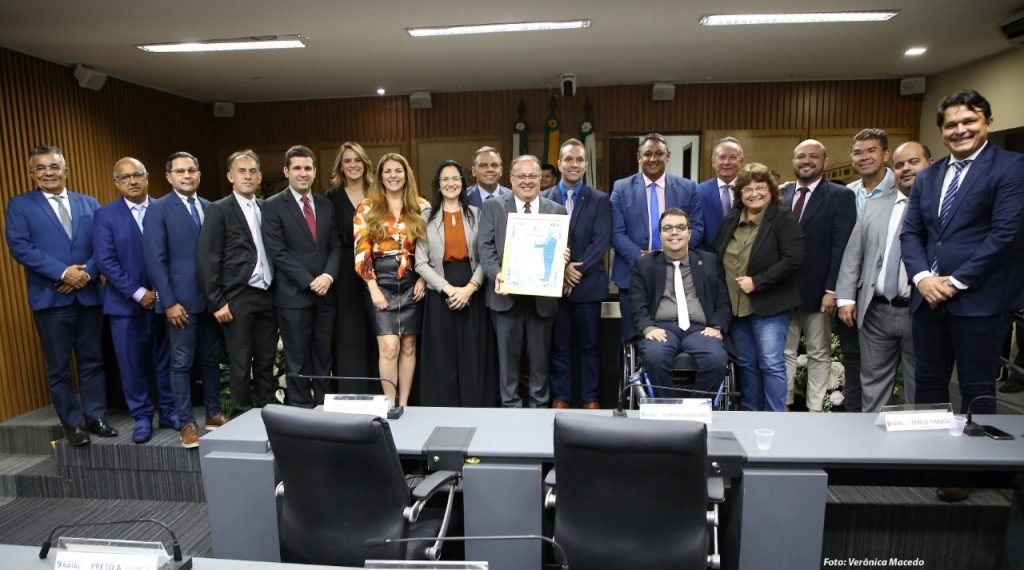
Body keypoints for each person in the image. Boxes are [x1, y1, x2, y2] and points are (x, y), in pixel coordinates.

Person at [901, 89, 1024, 415]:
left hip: (980, 301)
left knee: (977, 388)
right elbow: (911, 232)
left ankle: (978, 466)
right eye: (951, 124)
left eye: (969, 121)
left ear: (988, 123)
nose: (960, 130)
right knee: (928, 383)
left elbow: (1005, 235)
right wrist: (923, 279)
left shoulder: (1011, 167)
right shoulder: (929, 175)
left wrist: (955, 282)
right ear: (942, 131)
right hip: (927, 301)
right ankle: (930, 461)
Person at [5, 145, 117, 446]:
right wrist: (64, 273)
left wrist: (86, 274)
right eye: (40, 168)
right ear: (32, 174)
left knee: (92, 361)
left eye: (53, 167)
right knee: (59, 367)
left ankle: (95, 416)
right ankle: (71, 424)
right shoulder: (20, 205)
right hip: (51, 298)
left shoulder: (89, 203)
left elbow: (102, 245)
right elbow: (20, 247)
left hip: (90, 295)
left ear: (65, 170)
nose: (47, 173)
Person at [836, 142, 933, 412]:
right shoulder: (875, 206)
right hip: (876, 311)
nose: (906, 169)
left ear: (931, 163)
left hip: (922, 310)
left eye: (914, 162)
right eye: (900, 165)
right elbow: (854, 254)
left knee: (921, 385)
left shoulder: (941, 208)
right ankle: (872, 448)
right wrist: (845, 298)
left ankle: (918, 448)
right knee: (873, 384)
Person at [144, 152, 226, 448]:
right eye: (180, 171)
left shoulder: (209, 207)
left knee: (212, 360)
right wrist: (168, 302)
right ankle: (186, 422)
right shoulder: (158, 209)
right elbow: (155, 260)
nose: (187, 175)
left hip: (210, 300)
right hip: (179, 303)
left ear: (199, 174)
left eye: (192, 170)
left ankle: (213, 413)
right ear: (169, 177)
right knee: (180, 363)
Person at [92, 157, 174, 443]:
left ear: (148, 177)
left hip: (165, 303)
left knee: (166, 360)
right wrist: (139, 294)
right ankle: (141, 417)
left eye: (137, 175)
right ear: (116, 183)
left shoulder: (164, 208)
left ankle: (168, 411)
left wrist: (161, 295)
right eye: (125, 177)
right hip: (125, 306)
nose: (132, 181)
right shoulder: (105, 215)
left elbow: (174, 255)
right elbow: (105, 261)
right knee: (132, 364)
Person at [478, 155, 567, 407]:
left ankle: (540, 408)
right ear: (511, 178)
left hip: (542, 298)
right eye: (521, 176)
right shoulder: (494, 207)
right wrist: (498, 275)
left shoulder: (557, 211)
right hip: (505, 297)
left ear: (541, 178)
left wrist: (564, 254)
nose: (527, 181)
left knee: (540, 361)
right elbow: (484, 249)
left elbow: (563, 248)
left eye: (533, 176)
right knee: (508, 361)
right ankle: (510, 409)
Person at [714, 163, 804, 411]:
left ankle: (774, 417)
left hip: (770, 306)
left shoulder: (782, 218)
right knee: (746, 364)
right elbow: (717, 255)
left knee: (771, 364)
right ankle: (750, 414)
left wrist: (757, 281)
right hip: (737, 308)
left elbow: (793, 259)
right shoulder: (732, 219)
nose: (754, 193)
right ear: (739, 194)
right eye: (747, 189)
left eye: (760, 187)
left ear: (771, 190)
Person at [197, 150, 277, 416]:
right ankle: (242, 414)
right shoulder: (218, 210)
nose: (248, 176)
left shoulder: (268, 207)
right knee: (241, 362)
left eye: (253, 171)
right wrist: (217, 301)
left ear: (260, 176)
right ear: (230, 176)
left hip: (268, 294)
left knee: (266, 360)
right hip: (237, 296)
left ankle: (268, 413)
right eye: (241, 171)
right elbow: (207, 258)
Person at [262, 145, 341, 408]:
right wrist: (309, 280)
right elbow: (277, 252)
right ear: (287, 171)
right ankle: (300, 412)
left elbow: (335, 246)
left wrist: (328, 276)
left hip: (325, 295)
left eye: (308, 168)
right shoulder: (272, 206)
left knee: (323, 358)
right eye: (297, 168)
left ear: (315, 171)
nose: (303, 173)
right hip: (293, 296)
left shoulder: (326, 205)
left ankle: (323, 408)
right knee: (297, 360)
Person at [780, 140, 856, 412]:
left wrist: (832, 290)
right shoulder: (784, 195)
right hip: (784, 291)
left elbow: (842, 246)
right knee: (785, 354)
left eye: (813, 156)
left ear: (825, 161)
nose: (806, 161)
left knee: (819, 353)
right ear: (793, 160)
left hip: (820, 291)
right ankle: (785, 405)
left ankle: (814, 411)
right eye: (801, 156)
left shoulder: (840, 195)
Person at [610, 132, 704, 342]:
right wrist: (644, 260)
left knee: (672, 336)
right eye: (648, 154)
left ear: (668, 155)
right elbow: (615, 233)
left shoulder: (688, 188)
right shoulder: (621, 188)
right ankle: (631, 376)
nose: (653, 159)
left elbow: (697, 228)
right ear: (638, 156)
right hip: (633, 273)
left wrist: (669, 254)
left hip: (678, 272)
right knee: (630, 336)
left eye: (659, 153)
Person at [353, 153, 430, 407]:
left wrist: (423, 280)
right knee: (389, 347)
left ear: (407, 174)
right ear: (380, 176)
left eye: (398, 171)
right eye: (387, 171)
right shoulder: (367, 207)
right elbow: (361, 251)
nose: (393, 176)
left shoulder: (422, 206)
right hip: (380, 280)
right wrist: (372, 288)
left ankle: (404, 405)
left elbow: (429, 249)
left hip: (412, 281)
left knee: (408, 346)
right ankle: (389, 404)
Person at [415, 160, 493, 406]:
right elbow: (420, 262)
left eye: (455, 178)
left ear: (463, 182)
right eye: (445, 179)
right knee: (442, 355)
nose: (451, 183)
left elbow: (486, 257)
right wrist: (448, 290)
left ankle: (474, 407)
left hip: (472, 289)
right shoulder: (425, 217)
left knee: (472, 354)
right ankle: (442, 408)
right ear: (438, 185)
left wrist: (470, 289)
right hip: (440, 291)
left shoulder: (478, 215)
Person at [541, 139, 611, 409]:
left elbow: (601, 241)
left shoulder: (600, 199)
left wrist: (573, 270)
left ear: (586, 164)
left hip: (588, 285)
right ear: (559, 163)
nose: (574, 164)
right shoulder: (544, 198)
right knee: (558, 346)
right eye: (568, 159)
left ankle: (590, 398)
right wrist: (561, 271)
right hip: (553, 287)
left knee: (590, 347)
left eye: (579, 160)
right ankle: (561, 397)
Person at [630, 208, 730, 397]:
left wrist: (717, 326)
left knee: (716, 359)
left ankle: (695, 408)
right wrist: (648, 328)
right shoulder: (645, 264)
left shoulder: (709, 261)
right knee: (655, 357)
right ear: (660, 234)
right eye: (667, 228)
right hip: (661, 328)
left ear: (689, 233)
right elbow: (636, 303)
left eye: (680, 227)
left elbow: (723, 301)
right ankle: (667, 409)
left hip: (699, 329)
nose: (674, 232)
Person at [838, 128, 897, 411]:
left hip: (891, 290)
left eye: (871, 151)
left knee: (890, 366)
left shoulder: (906, 189)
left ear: (886, 154)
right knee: (854, 356)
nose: (864, 157)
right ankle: (855, 416)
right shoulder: (847, 194)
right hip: (853, 290)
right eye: (858, 152)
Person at [324, 142, 378, 381]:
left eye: (357, 160)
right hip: (346, 273)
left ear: (365, 164)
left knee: (379, 332)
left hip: (379, 269)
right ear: (341, 167)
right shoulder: (331, 197)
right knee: (349, 335)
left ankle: (381, 393)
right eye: (347, 161)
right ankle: (351, 393)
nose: (353, 165)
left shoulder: (379, 193)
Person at [695, 137, 744, 251]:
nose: (726, 162)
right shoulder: (698, 191)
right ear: (713, 161)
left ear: (741, 161)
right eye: (722, 157)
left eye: (733, 157)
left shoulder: (749, 191)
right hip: (707, 259)